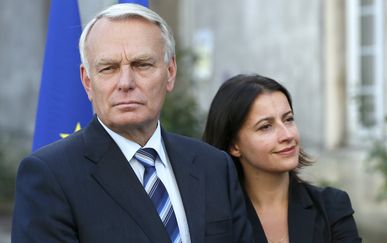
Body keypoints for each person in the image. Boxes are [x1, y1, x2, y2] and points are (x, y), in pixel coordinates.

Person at [12, 4, 254, 243]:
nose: (126, 82)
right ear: (87, 82)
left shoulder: (214, 166)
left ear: (170, 73)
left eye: (142, 65)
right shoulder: (50, 176)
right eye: (109, 68)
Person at [203, 74, 362, 243]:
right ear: (234, 146)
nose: (287, 135)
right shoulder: (214, 218)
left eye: (288, 119)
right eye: (265, 127)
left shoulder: (332, 207)